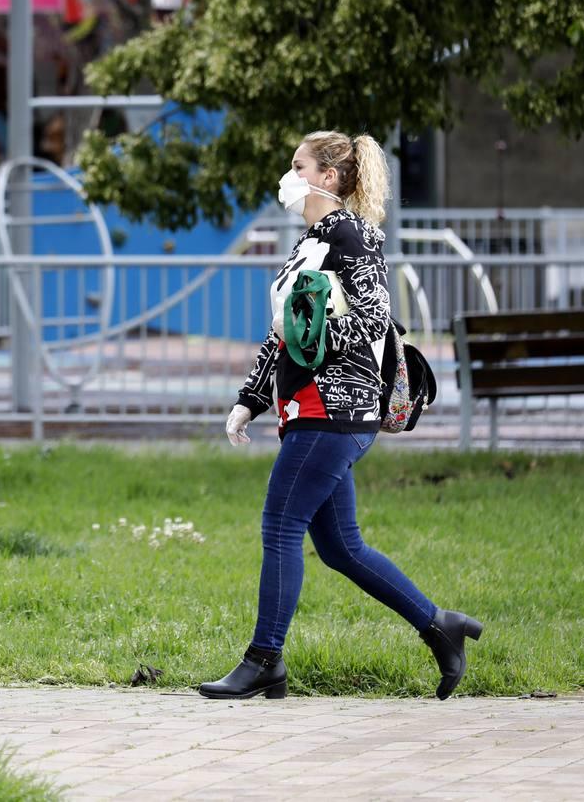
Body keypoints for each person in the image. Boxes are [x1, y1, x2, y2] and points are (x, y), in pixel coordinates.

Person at [200, 132, 482, 702]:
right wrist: (249, 399)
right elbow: (285, 333)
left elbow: (375, 319)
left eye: (297, 164)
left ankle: (264, 661)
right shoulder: (310, 241)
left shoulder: (350, 234)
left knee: (280, 527)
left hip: (336, 407)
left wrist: (316, 334)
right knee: (340, 548)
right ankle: (440, 627)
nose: (288, 173)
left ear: (327, 177)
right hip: (311, 406)